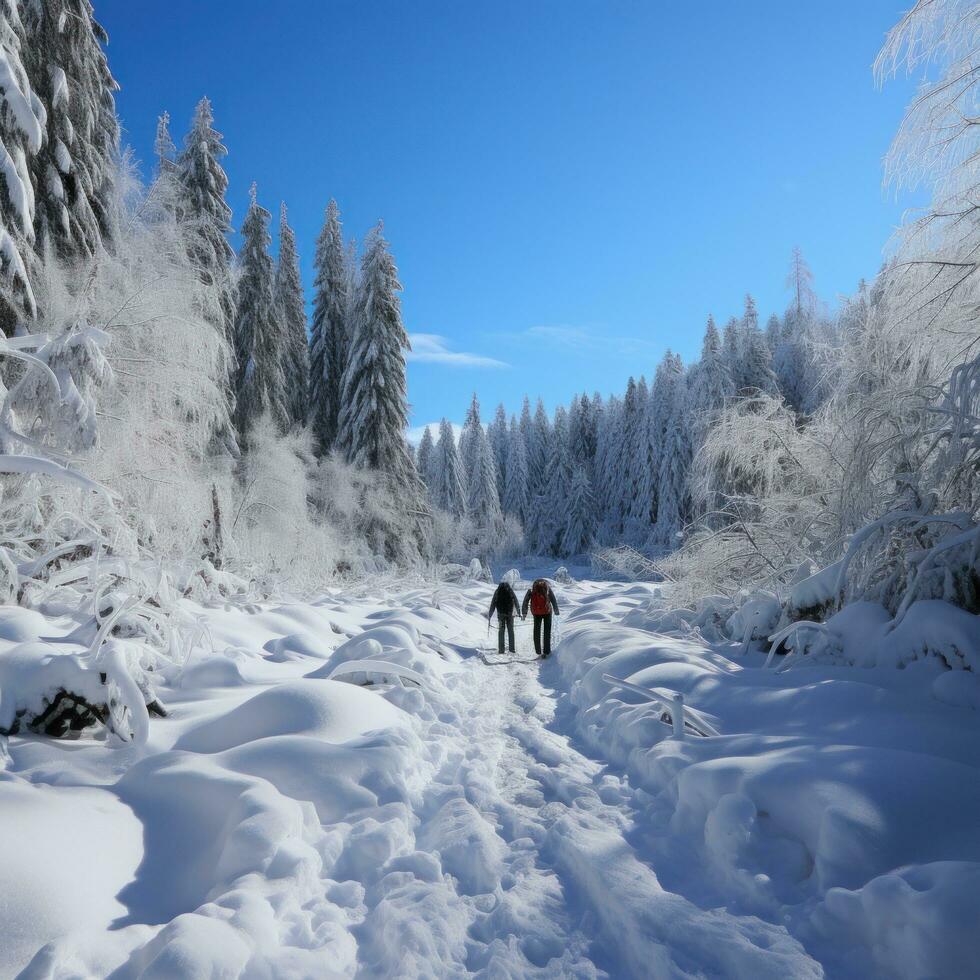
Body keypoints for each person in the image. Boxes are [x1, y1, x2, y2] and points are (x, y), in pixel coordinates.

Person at [521, 578, 560, 658]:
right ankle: (546, 651)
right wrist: (556, 611)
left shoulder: (532, 590)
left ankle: (538, 651)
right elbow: (553, 599)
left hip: (536, 613)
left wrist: (524, 613)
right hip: (547, 612)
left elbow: (525, 601)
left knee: (536, 630)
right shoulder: (547, 589)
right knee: (547, 631)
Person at [488, 578, 521, 655]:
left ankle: (501, 650)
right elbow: (515, 600)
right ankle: (512, 649)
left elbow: (493, 603)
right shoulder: (509, 590)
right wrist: (519, 612)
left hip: (500, 614)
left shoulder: (497, 591)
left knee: (501, 631)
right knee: (510, 631)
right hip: (510, 614)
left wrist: (490, 614)